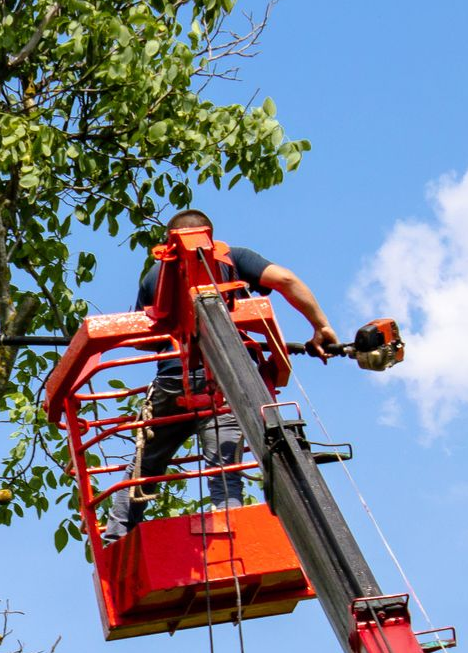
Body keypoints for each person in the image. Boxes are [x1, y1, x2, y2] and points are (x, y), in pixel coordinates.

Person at [102, 209, 340, 544]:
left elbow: (144, 337)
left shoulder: (155, 276)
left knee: (143, 469)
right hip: (224, 383)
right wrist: (320, 325)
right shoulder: (234, 258)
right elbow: (285, 280)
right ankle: (232, 543)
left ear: (168, 242)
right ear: (210, 235)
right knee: (225, 472)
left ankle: (116, 540)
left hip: (173, 383)